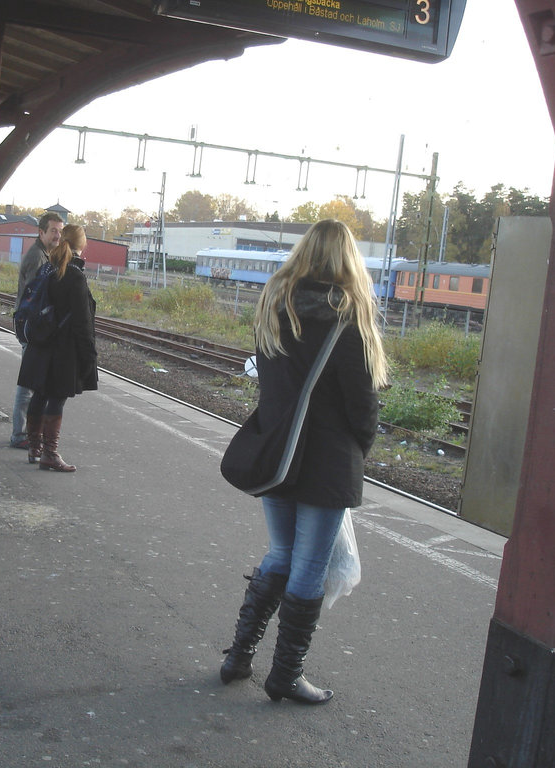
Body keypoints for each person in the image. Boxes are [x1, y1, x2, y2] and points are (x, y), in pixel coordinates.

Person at [219, 219, 388, 705]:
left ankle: (239, 657)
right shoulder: (348, 318)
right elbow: (362, 405)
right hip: (327, 462)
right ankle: (286, 676)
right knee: (309, 566)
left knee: (282, 555)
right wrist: (361, 449)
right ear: (347, 260)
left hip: (278, 454)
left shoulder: (274, 308)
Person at [16, 224, 97, 472]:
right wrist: (89, 357)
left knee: (40, 395)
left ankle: (34, 448)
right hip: (62, 352)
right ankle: (49, 453)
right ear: (81, 246)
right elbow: (83, 324)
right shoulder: (75, 276)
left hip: (40, 347)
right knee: (56, 399)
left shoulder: (48, 268)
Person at [10, 212, 65, 449]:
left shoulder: (45, 255)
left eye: (60, 232)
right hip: (31, 328)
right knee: (28, 384)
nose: (57, 236)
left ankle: (25, 432)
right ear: (40, 232)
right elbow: (37, 296)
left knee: (31, 382)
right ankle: (20, 434)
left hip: (31, 327)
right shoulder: (37, 258)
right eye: (53, 231)